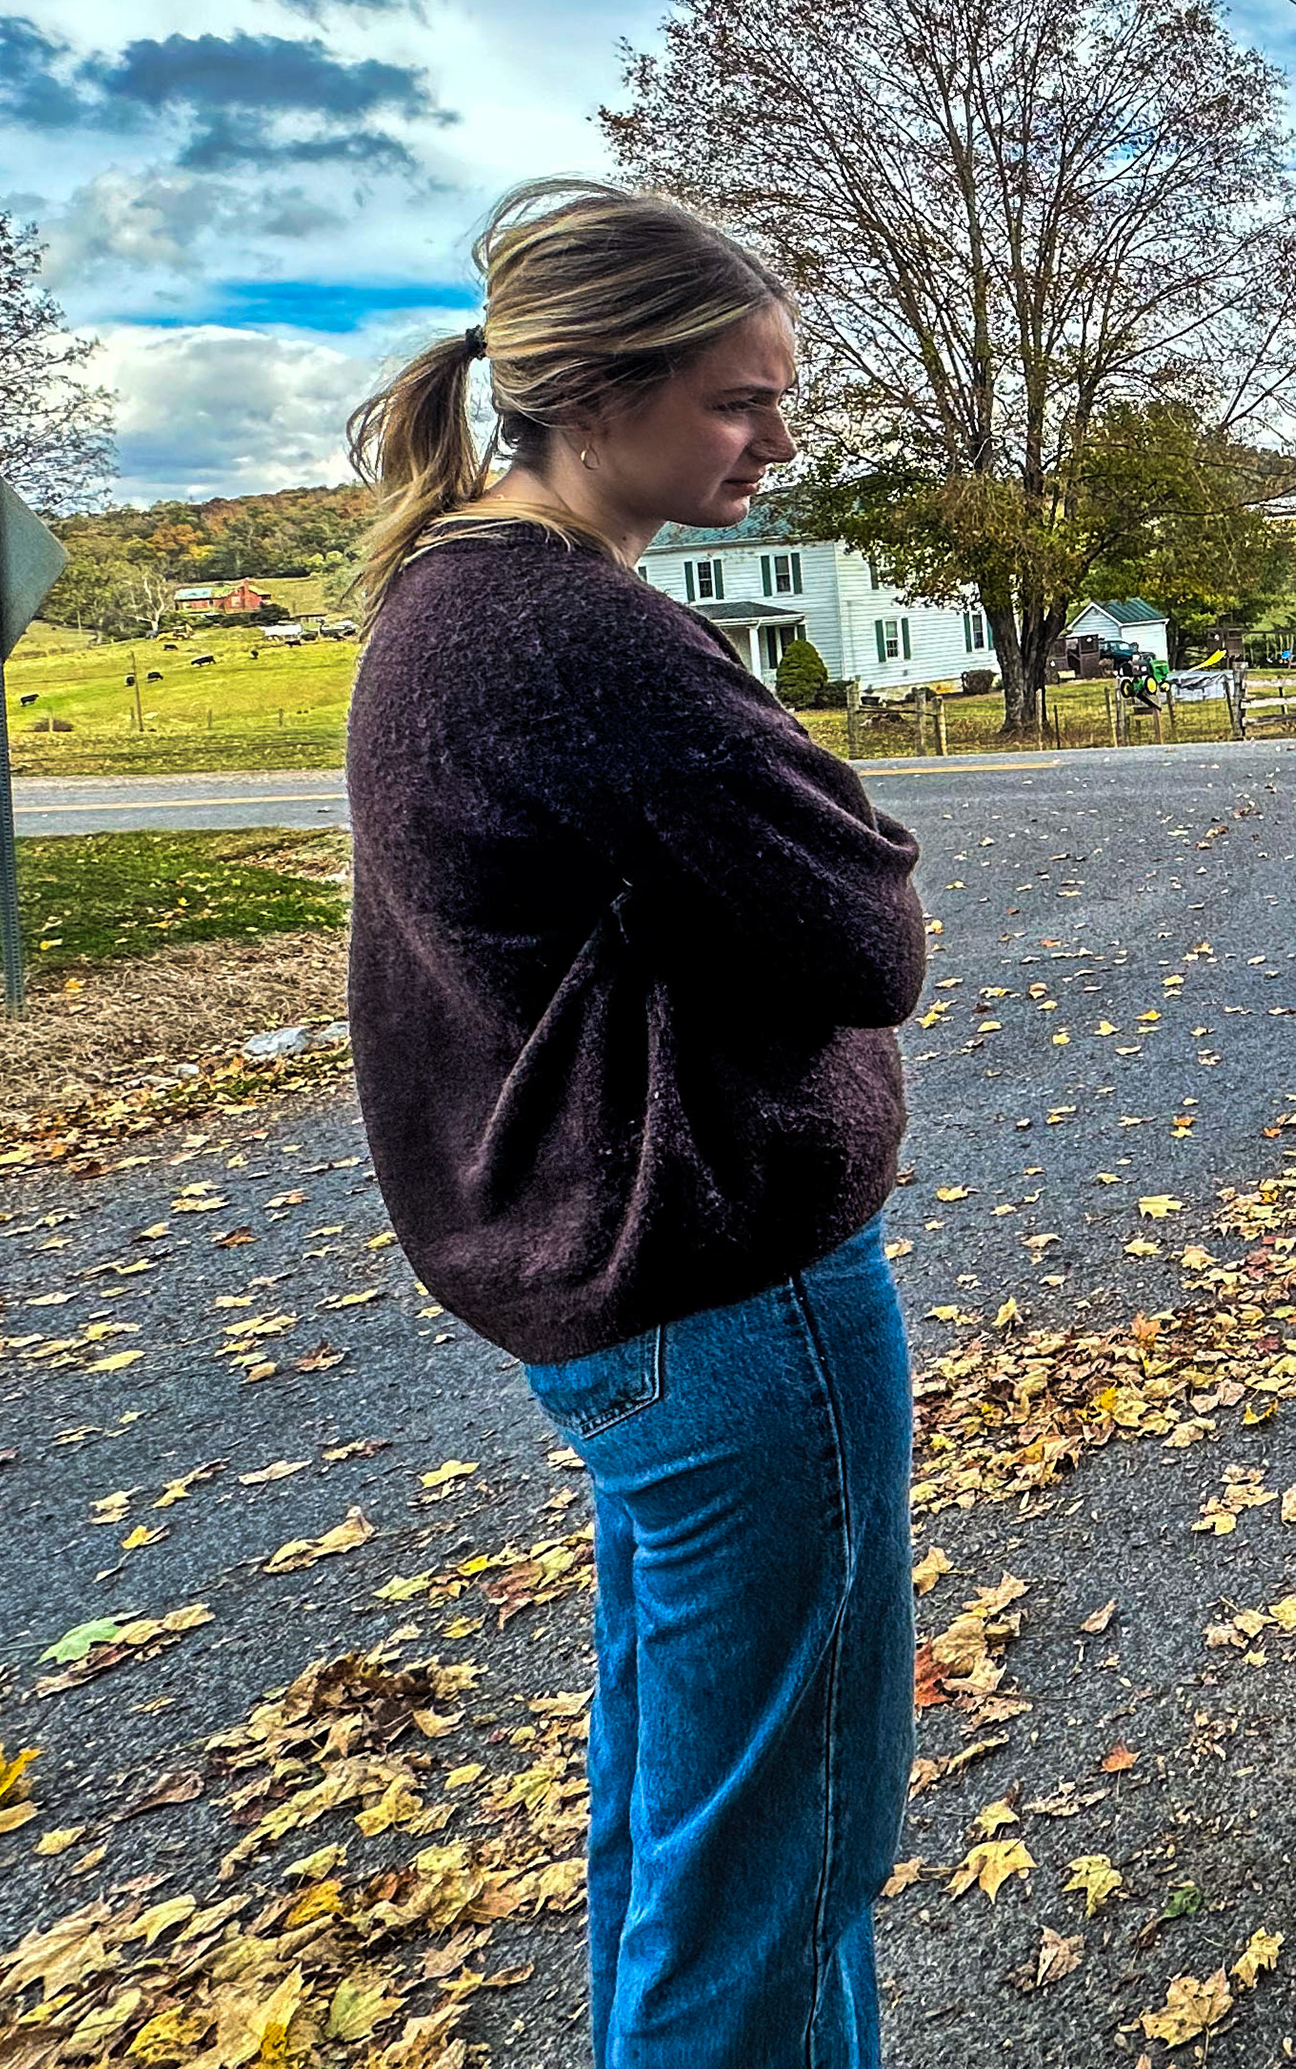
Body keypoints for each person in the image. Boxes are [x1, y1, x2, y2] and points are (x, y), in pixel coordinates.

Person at [340, 178, 925, 2069]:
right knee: (776, 1865)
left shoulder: (452, 603)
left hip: (636, 1306)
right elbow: (868, 930)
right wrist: (832, 824)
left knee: (694, 1832)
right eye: (741, 399)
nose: (777, 438)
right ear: (597, 393)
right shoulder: (569, 633)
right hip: (732, 1307)